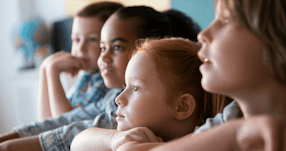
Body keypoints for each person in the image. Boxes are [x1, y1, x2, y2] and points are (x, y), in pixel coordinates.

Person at [0, 6, 203, 151]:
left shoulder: (203, 132)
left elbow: (69, 123)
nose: (102, 56)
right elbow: (72, 130)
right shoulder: (118, 103)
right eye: (101, 47)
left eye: (116, 47)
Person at [151, 0, 286, 150]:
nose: (202, 35)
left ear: (285, 37)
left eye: (227, 19)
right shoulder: (231, 119)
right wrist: (234, 135)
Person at [71, 37, 223, 151]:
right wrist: (113, 139)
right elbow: (76, 143)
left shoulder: (205, 141)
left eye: (136, 88)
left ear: (181, 107)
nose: (119, 99)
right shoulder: (129, 128)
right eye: (125, 87)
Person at [37, 1, 123, 120]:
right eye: (76, 39)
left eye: (92, 39)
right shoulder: (87, 77)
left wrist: (53, 71)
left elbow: (63, 123)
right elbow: (46, 122)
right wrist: (44, 69)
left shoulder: (106, 82)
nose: (80, 48)